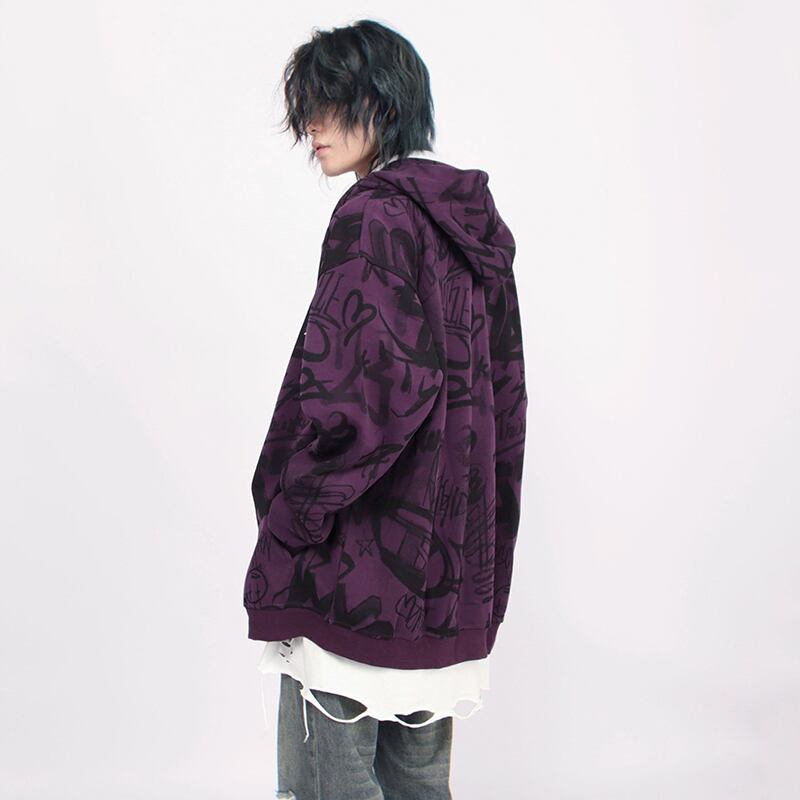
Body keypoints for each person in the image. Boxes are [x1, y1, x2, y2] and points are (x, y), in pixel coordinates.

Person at [242, 18, 527, 800]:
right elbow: (505, 401)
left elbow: (368, 395)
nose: (312, 126)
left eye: (329, 104)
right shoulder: (472, 230)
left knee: (328, 787)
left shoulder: (372, 216)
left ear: (385, 105)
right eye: (307, 108)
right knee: (419, 786)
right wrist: (484, 551)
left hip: (356, 564)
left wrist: (294, 509)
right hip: (445, 577)